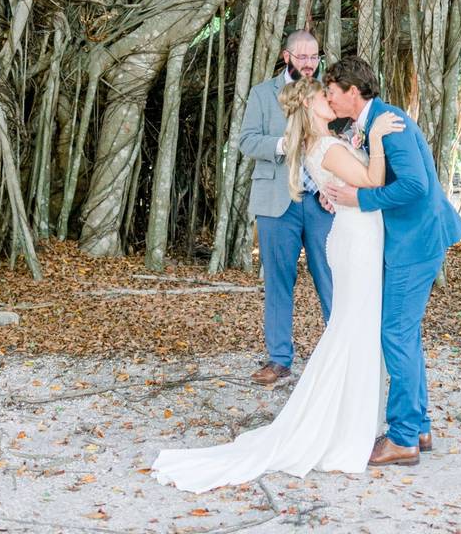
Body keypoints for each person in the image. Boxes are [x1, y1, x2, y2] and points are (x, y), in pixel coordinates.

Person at [152, 78, 405, 492]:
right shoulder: (326, 147)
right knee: (355, 330)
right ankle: (347, 425)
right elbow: (374, 182)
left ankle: (356, 418)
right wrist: (375, 138)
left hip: (354, 235)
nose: (331, 98)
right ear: (308, 106)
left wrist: (360, 140)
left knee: (354, 328)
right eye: (324, 96)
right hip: (357, 240)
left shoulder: (321, 144)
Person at [323, 56, 461, 466]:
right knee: (406, 334)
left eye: (332, 90)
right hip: (406, 240)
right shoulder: (371, 124)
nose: (329, 97)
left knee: (395, 335)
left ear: (353, 91)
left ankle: (402, 437)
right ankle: (418, 426)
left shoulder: (391, 122)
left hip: (415, 241)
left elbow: (416, 186)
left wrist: (362, 199)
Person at [238, 30, 333, 385]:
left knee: (330, 277)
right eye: (302, 57)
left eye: (314, 57)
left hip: (323, 202)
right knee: (279, 281)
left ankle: (339, 354)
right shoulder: (263, 94)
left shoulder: (328, 94)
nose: (309, 64)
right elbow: (247, 140)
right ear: (286, 56)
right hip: (278, 200)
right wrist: (284, 143)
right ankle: (279, 359)